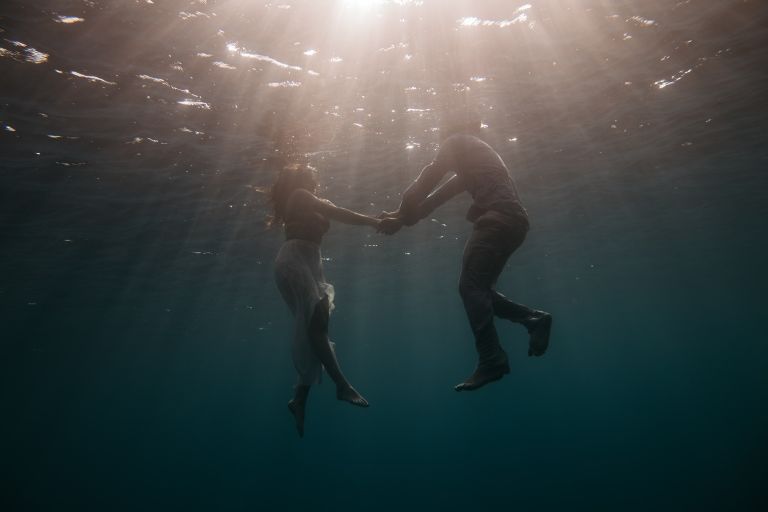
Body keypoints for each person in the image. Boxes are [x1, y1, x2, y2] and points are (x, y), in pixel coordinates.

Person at [378, 112, 552, 392]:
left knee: (470, 287)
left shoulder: (456, 141)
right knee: (479, 290)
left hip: (496, 220)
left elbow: (422, 185)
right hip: (515, 223)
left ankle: (491, 358)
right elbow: (429, 204)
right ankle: (534, 319)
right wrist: (399, 219)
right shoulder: (475, 160)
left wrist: (400, 213)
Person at [270, 163, 380, 437]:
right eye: (309, 172)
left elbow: (335, 210)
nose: (313, 174)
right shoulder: (299, 195)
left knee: (315, 329)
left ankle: (299, 399)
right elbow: (338, 213)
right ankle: (342, 385)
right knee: (316, 327)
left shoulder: (311, 199)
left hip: (309, 262)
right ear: (299, 177)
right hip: (294, 259)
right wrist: (376, 221)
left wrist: (383, 219)